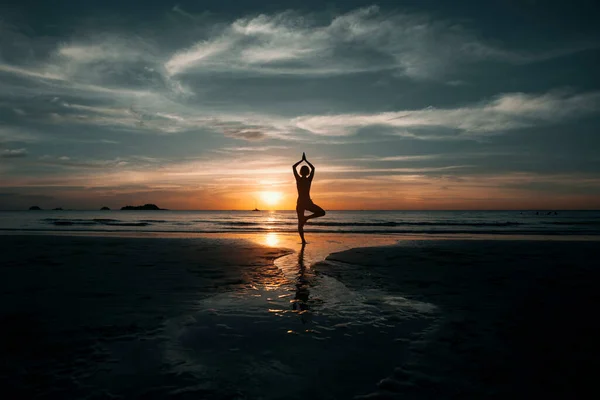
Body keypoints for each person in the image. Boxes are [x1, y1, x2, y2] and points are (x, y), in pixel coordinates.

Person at [293, 153, 326, 244]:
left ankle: (303, 241)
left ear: (300, 172)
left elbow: (293, 167)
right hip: (307, 202)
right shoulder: (308, 179)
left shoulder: (298, 179)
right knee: (322, 212)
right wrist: (306, 161)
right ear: (307, 172)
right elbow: (313, 168)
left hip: (300, 202)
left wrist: (301, 160)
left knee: (300, 223)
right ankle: (307, 218)